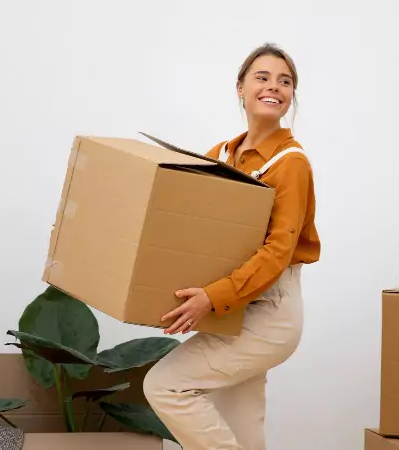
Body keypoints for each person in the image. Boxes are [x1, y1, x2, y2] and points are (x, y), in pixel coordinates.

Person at [143, 43, 321, 450]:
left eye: (285, 81)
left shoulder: (291, 163)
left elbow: (277, 253)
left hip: (269, 313)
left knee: (166, 386)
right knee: (241, 427)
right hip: (235, 308)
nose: (273, 87)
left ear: (292, 95)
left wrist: (211, 297)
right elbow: (189, 221)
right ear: (240, 87)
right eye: (262, 77)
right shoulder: (223, 155)